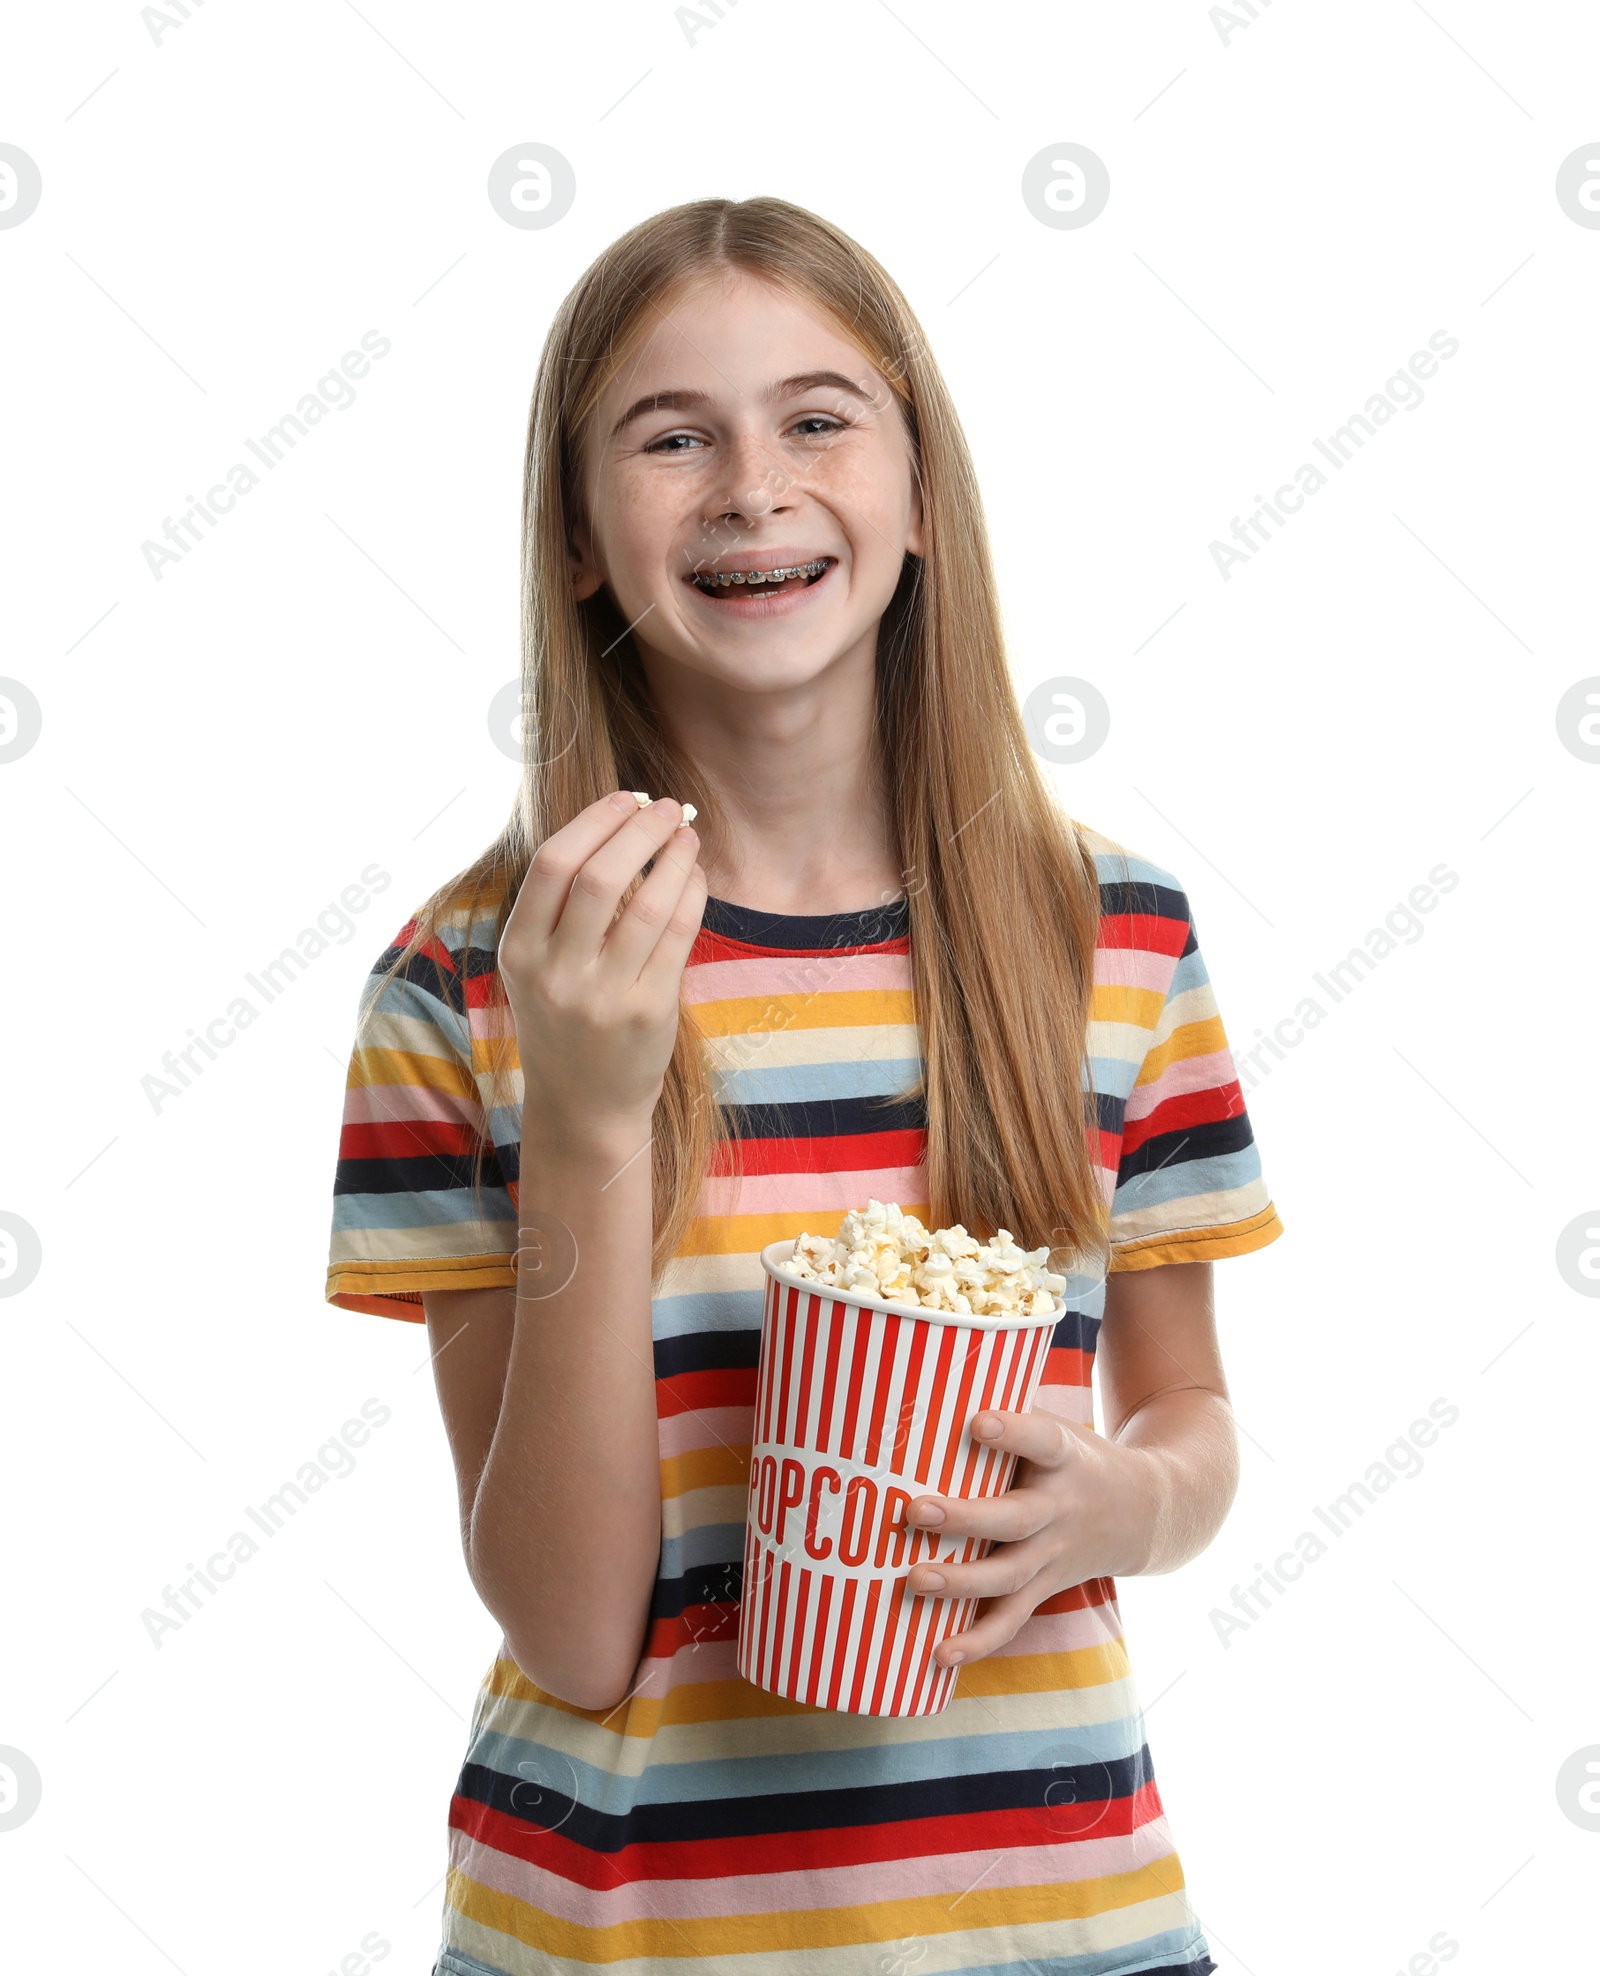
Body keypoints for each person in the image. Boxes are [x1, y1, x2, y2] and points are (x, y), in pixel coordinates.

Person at [325, 195, 1283, 1976]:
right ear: (583, 540)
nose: (751, 485)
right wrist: (601, 1122)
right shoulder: (469, 982)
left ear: (921, 499)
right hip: (625, 1933)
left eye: (818, 418)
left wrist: (1122, 1505)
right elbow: (572, 1628)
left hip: (1057, 1922)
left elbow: (1193, 1418)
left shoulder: (1112, 941)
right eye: (672, 436)